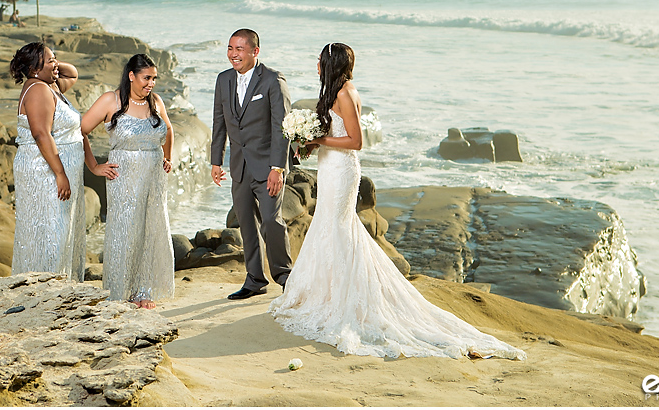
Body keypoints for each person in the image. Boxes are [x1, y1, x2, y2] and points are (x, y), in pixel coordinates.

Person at [268, 43, 527, 361]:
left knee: (338, 228)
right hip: (330, 167)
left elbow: (356, 141)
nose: (316, 64)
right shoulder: (333, 90)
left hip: (343, 168)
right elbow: (334, 131)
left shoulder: (346, 93)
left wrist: (318, 139)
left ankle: (349, 301)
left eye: (320, 60)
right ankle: (329, 294)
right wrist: (308, 144)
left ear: (331, 64)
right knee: (328, 227)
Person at [8, 42, 113, 281]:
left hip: (58, 169)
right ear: (35, 67)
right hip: (45, 171)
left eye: (56, 59)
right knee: (51, 233)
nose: (57, 65)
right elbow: (41, 134)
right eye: (50, 61)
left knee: (60, 232)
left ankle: (59, 285)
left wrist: (49, 63)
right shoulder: (37, 90)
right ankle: (45, 286)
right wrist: (60, 174)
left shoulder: (50, 86)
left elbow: (72, 73)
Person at [81, 54, 174, 308]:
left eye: (154, 78)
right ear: (131, 76)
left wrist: (167, 157)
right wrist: (94, 166)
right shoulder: (110, 100)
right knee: (124, 232)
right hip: (123, 178)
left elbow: (168, 129)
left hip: (154, 179)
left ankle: (142, 290)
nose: (151, 83)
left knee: (149, 229)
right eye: (146, 78)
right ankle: (119, 290)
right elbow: (80, 131)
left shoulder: (155, 101)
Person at [211, 29, 293, 300]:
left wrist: (277, 168)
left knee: (271, 221)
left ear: (255, 51)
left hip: (268, 167)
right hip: (239, 167)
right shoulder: (223, 80)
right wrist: (215, 161)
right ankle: (255, 279)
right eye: (230, 48)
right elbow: (219, 123)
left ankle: (285, 277)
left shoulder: (272, 80)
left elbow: (283, 128)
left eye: (240, 49)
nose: (233, 54)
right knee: (246, 223)